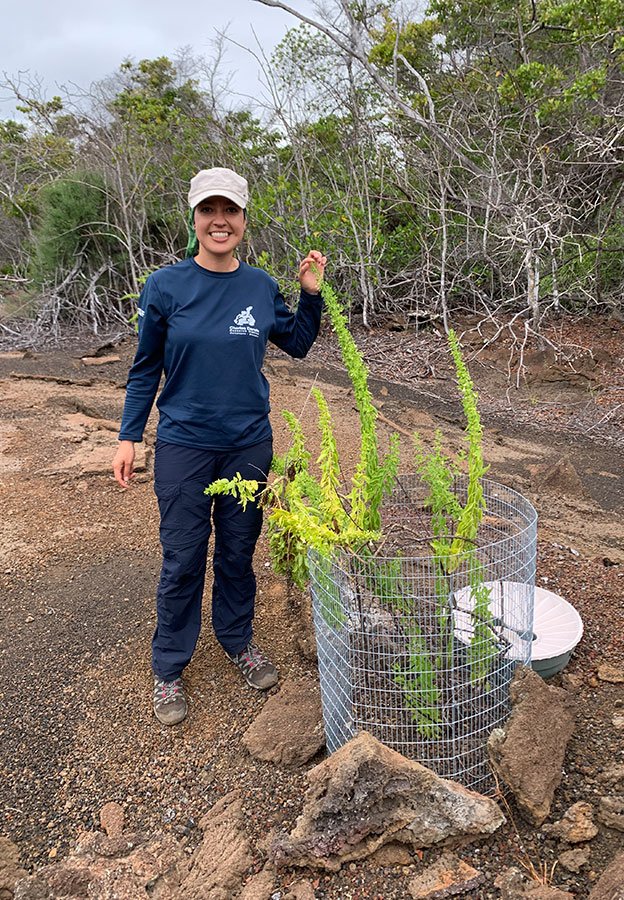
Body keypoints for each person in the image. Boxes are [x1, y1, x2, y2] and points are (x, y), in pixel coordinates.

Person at [112, 167, 326, 726]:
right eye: (209, 210)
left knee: (237, 550)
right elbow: (144, 369)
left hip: (248, 443)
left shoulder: (258, 286)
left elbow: (298, 344)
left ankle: (237, 640)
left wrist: (309, 294)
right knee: (183, 557)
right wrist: (129, 436)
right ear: (195, 219)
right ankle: (168, 667)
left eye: (229, 210)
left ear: (244, 220)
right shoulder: (165, 286)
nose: (219, 221)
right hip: (184, 443)